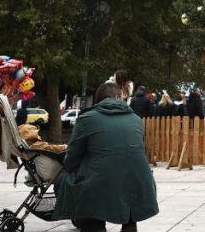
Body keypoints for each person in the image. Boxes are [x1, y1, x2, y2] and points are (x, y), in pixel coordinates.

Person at [53, 81, 158, 231]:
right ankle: (129, 225)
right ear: (117, 97)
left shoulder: (87, 119)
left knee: (63, 182)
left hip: (100, 184)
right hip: (140, 184)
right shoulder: (135, 119)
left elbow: (71, 158)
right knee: (122, 181)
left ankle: (92, 224)